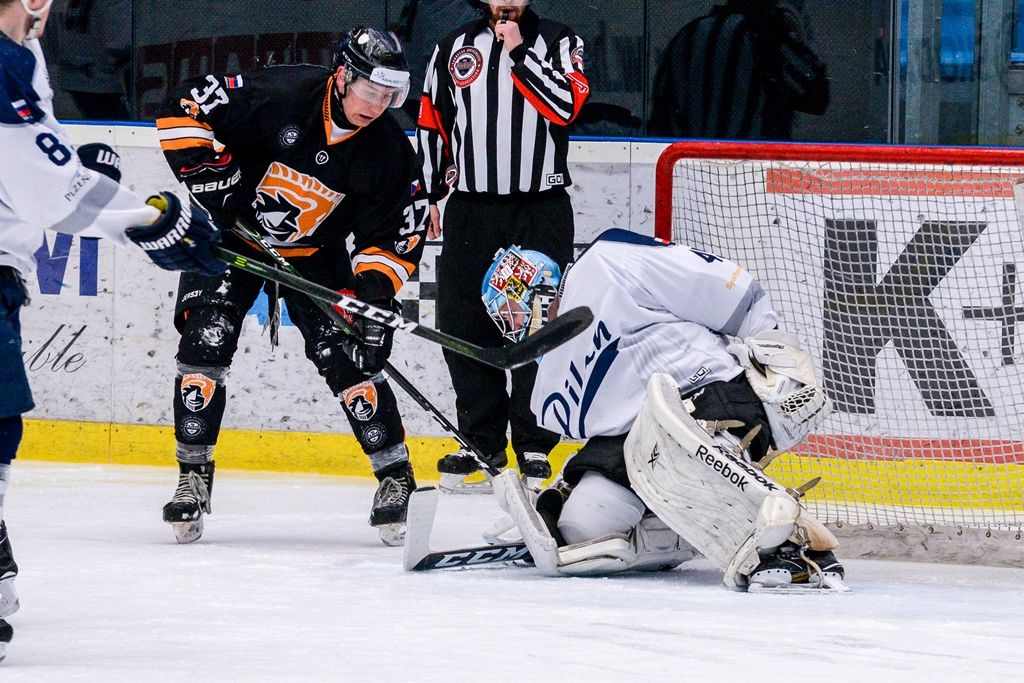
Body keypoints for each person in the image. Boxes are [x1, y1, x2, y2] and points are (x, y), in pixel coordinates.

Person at [0, 0, 225, 660]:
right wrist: (155, 223)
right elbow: (51, 189)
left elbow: (36, 171)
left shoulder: (23, 54)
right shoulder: (8, 60)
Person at [153, 27, 429, 548]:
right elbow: (181, 104)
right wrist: (212, 174)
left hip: (316, 257)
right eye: (373, 91)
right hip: (231, 238)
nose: (381, 104)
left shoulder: (389, 151)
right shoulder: (281, 94)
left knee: (351, 359)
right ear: (343, 75)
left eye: (391, 95)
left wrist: (372, 298)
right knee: (204, 343)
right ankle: (193, 477)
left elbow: (392, 235)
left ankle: (396, 479)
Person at [483, 230, 849, 591]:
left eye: (512, 312)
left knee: (679, 456)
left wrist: (776, 355)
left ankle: (793, 545)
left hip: (711, 395)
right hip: (640, 442)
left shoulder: (604, 262)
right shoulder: (548, 386)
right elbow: (607, 434)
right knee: (582, 528)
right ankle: (671, 530)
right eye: (504, 321)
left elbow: (718, 284)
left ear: (539, 288)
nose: (512, 328)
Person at [416, 0, 589, 492]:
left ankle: (534, 444)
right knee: (463, 320)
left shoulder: (559, 40)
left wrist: (518, 55)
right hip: (471, 207)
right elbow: (433, 121)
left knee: (537, 325)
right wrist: (429, 193)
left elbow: (567, 106)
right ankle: (480, 442)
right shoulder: (452, 47)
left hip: (539, 209)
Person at [649, 0, 829, 140]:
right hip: (752, 175)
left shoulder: (687, 37)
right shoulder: (766, 38)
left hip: (689, 175)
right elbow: (817, 95)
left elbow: (661, 119)